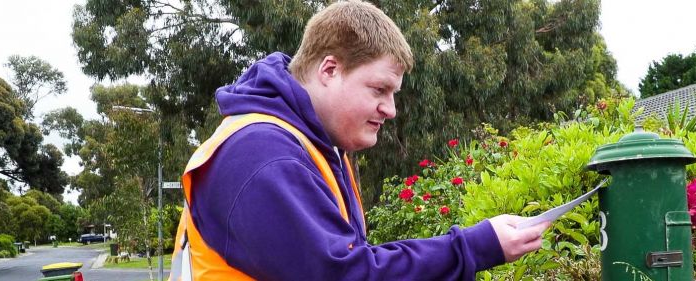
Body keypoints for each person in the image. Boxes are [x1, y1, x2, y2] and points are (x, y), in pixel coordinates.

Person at [168, 1, 550, 280]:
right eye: (379, 89)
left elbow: (348, 259)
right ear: (329, 70)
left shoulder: (310, 144)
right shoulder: (264, 155)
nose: (390, 109)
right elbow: (345, 275)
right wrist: (473, 247)